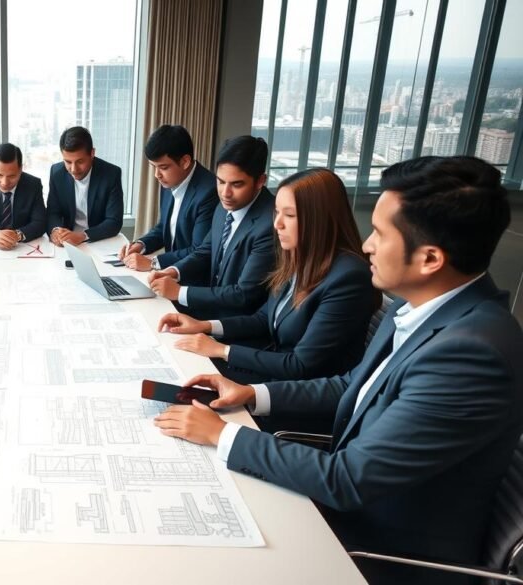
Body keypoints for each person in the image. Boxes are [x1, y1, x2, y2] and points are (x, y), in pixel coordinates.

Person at [153, 156, 523, 585]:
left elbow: (348, 479)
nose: (365, 245)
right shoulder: (417, 305)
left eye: (381, 235)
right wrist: (251, 394)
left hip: (380, 551)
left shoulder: (472, 353)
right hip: (347, 506)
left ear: (429, 258)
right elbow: (353, 385)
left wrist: (222, 434)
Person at [158, 168, 378, 386]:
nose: (277, 224)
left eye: (289, 215)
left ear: (320, 219)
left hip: (293, 394)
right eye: (277, 212)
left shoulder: (349, 278)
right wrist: (204, 325)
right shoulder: (300, 256)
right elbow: (263, 319)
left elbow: (301, 365)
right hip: (269, 371)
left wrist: (221, 350)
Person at [148, 135, 276, 320]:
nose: (225, 193)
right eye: (221, 181)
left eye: (237, 184)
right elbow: (205, 251)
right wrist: (174, 271)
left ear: (260, 181)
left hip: (238, 325)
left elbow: (244, 294)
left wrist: (180, 293)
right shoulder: (224, 206)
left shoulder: (270, 224)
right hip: (210, 310)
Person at [118, 124, 217, 271]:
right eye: (154, 167)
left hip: (192, 278)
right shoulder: (170, 180)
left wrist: (153, 263)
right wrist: (141, 245)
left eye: (163, 168)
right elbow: (165, 227)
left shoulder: (209, 191)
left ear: (185, 162)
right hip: (169, 274)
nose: (156, 175)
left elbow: (199, 250)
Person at [46, 126, 124, 245]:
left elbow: (114, 221)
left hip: (98, 239)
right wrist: (56, 231)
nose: (73, 169)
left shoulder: (111, 174)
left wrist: (83, 236)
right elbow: (53, 212)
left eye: (80, 162)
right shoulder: (56, 172)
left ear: (92, 153)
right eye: (68, 162)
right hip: (67, 241)